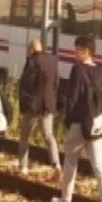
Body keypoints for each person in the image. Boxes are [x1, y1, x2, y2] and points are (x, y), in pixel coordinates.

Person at [51, 35, 102, 202]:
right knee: (100, 166)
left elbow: (72, 99)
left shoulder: (77, 70)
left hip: (79, 124)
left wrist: (68, 122)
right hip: (97, 126)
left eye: (77, 49)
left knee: (70, 163)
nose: (74, 52)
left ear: (85, 51)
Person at [18, 38, 61, 177]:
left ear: (31, 49)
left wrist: (23, 106)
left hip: (32, 106)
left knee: (24, 135)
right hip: (48, 106)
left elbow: (26, 85)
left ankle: (23, 166)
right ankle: (56, 164)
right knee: (48, 136)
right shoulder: (53, 61)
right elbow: (56, 83)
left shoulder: (31, 62)